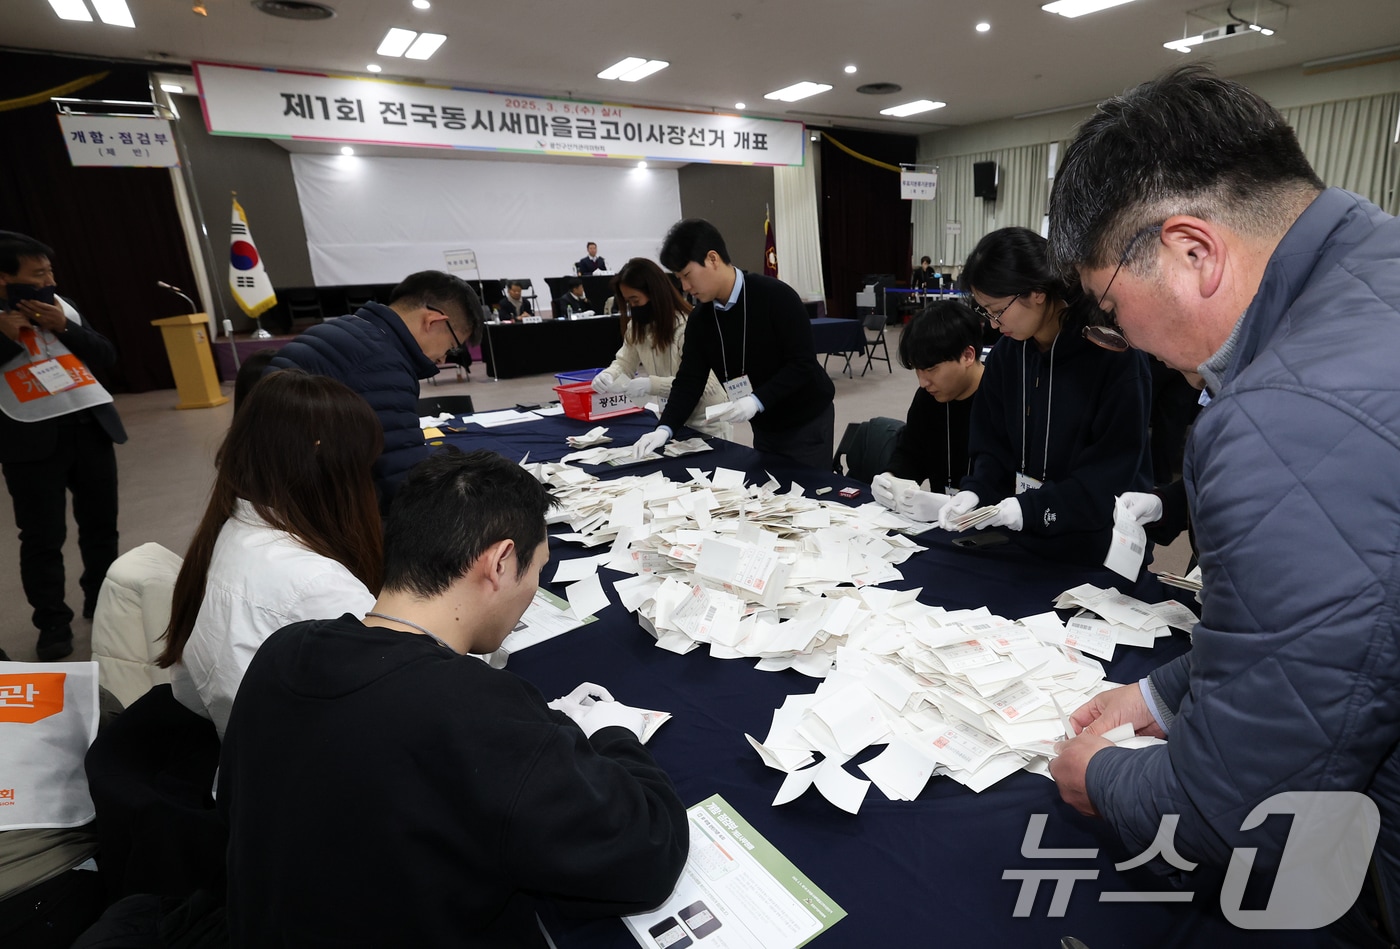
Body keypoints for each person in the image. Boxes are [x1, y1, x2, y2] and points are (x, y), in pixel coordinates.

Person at [1045, 65, 1400, 942]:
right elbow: (1338, 627)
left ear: (1191, 252)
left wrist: (1102, 774)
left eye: (1109, 308)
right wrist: (1163, 695)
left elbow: (1245, 813)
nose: (1121, 340)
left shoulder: (1283, 416)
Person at [219, 447, 688, 947]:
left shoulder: (283, 650)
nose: (533, 587)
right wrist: (612, 733)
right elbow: (646, 852)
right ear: (501, 562)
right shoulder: (475, 710)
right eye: (536, 570)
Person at [157, 370, 382, 739]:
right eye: (365, 467)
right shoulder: (317, 584)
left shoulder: (229, 530)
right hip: (308, 776)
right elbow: (409, 698)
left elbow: (186, 692)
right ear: (335, 470)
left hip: (243, 757)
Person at [932, 226, 1153, 565]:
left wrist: (1033, 508)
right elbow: (992, 445)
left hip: (1097, 547)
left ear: (1035, 293)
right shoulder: (1008, 354)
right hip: (1024, 537)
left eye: (997, 310)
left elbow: (1109, 474)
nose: (993, 324)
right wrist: (976, 490)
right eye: (985, 312)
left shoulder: (1112, 357)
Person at [0, 232, 126, 661]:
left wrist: (64, 327)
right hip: (29, 439)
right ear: (4, 279)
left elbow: (106, 355)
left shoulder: (61, 307)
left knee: (100, 524)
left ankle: (103, 599)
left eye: (49, 270)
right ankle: (52, 622)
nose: (48, 279)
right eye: (37, 273)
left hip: (88, 426)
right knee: (41, 537)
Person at [268, 270, 482, 512]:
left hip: (270, 490)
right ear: (433, 321)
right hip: (307, 511)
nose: (443, 359)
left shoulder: (343, 329)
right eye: (452, 347)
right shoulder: (383, 363)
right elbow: (403, 484)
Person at [634, 219, 835, 470]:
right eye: (679, 279)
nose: (685, 287)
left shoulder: (776, 296)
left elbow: (802, 364)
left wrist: (756, 400)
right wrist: (665, 428)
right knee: (773, 489)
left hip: (805, 418)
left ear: (713, 259)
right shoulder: (701, 319)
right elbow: (689, 380)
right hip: (764, 423)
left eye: (687, 275)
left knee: (809, 492)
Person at [591, 257, 731, 439]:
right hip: (671, 416)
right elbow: (625, 362)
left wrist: (652, 384)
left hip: (707, 420)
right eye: (628, 303)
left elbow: (704, 385)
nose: (633, 307)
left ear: (654, 294)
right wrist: (609, 374)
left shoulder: (686, 326)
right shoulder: (637, 327)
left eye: (635, 300)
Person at [871, 301, 984, 522]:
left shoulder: (1001, 399)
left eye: (931, 369)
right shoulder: (929, 397)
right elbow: (913, 452)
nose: (923, 382)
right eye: (918, 370)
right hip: (942, 523)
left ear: (968, 356)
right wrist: (890, 477)